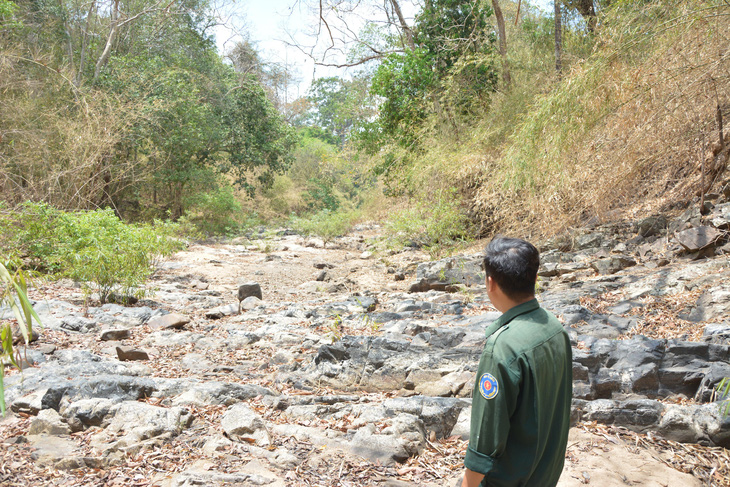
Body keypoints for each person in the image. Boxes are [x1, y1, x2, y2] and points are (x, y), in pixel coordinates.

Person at [459, 237, 572, 487]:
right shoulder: (555, 328)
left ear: (491, 283)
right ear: (534, 277)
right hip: (545, 473)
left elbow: (485, 442)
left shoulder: (502, 348)